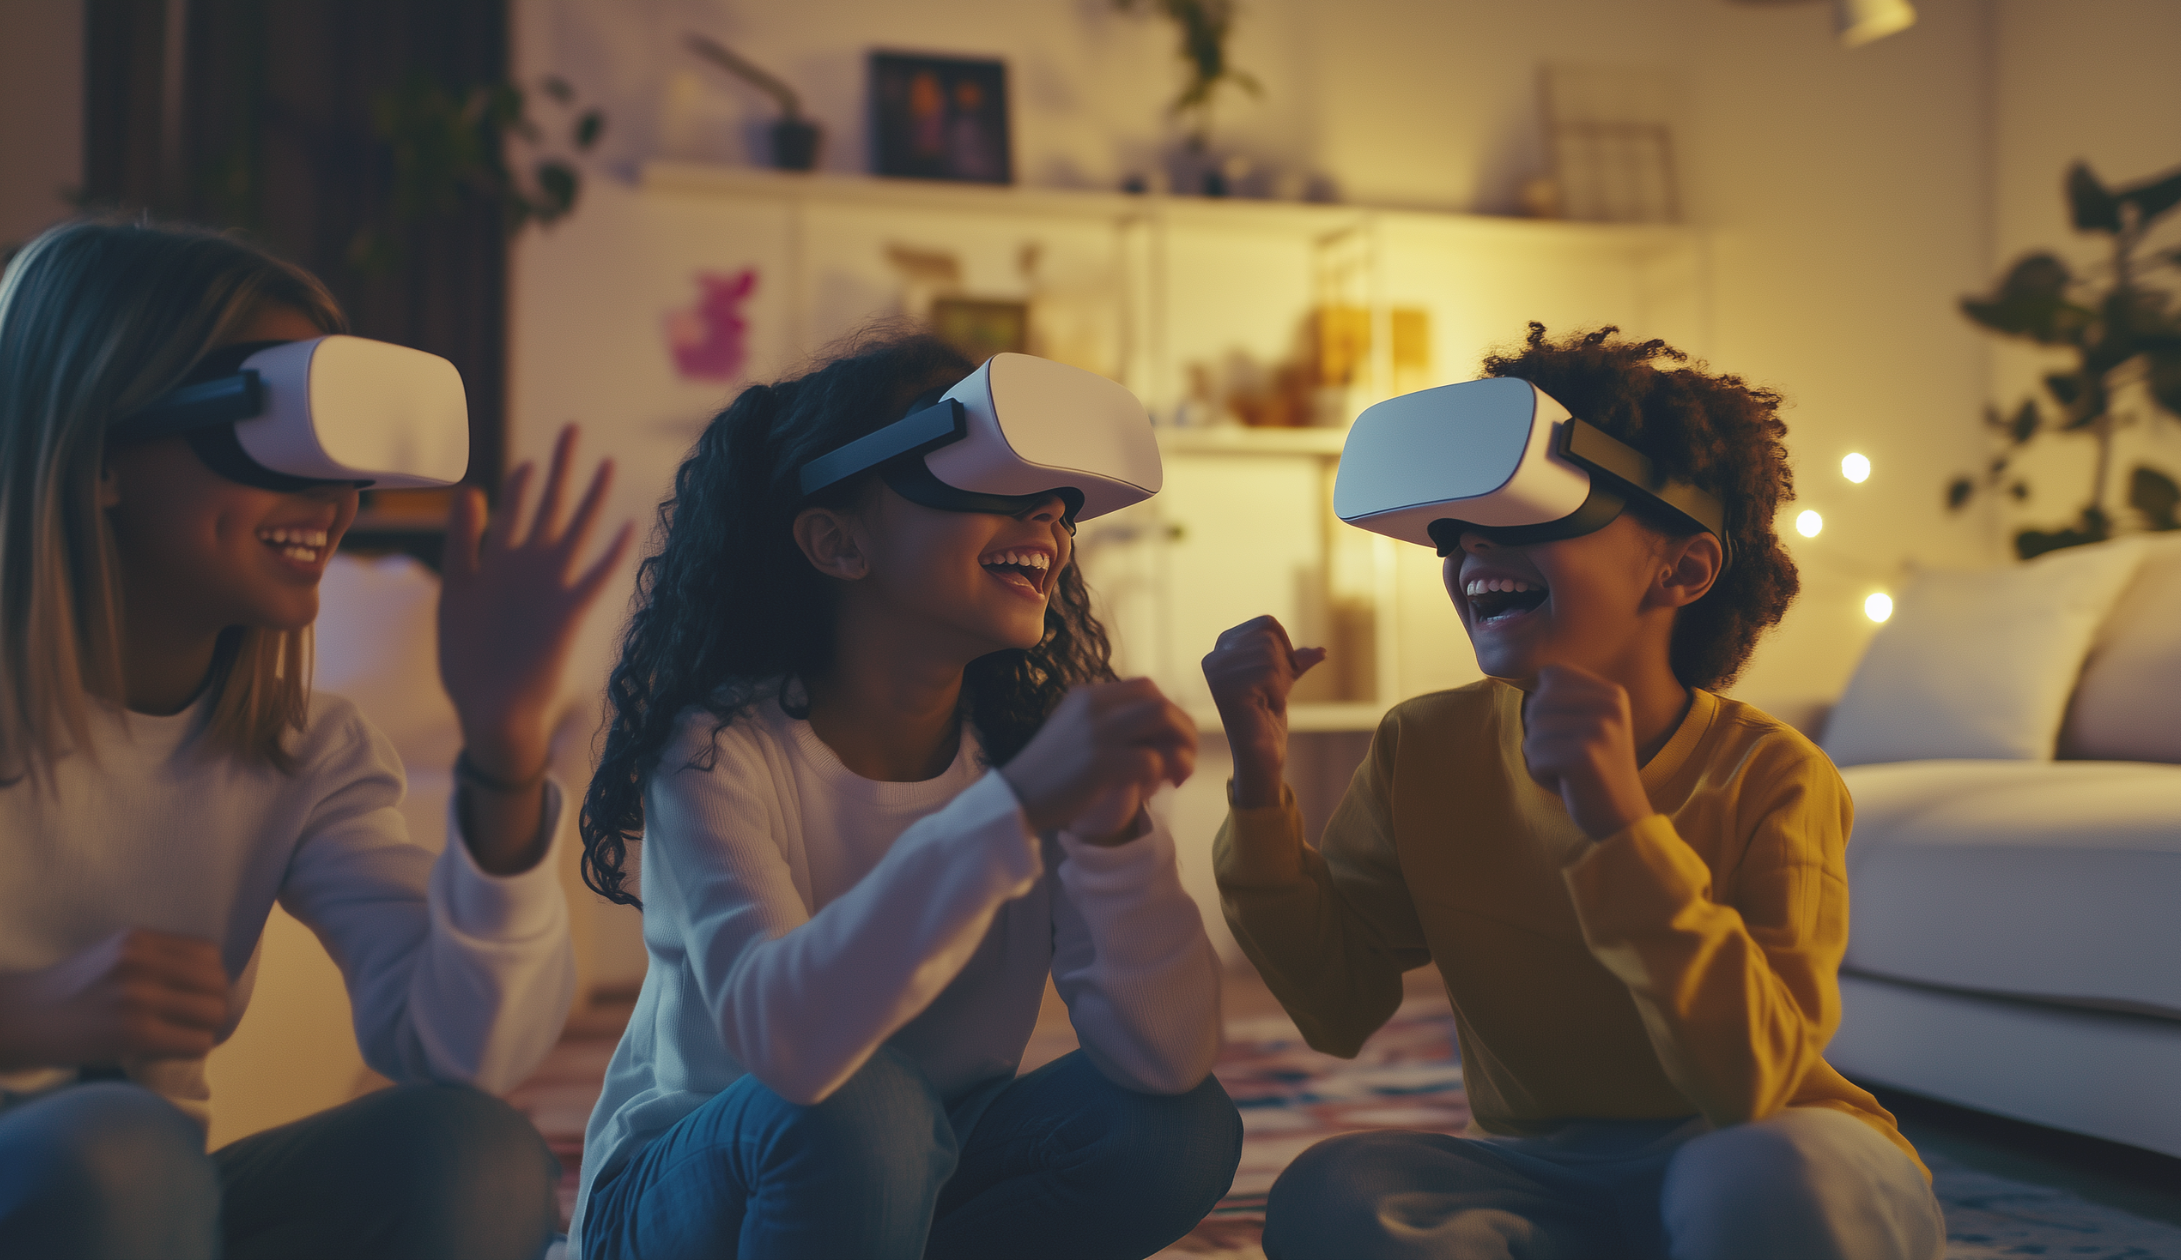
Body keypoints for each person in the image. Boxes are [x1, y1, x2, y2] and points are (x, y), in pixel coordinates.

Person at [0, 219, 630, 1260]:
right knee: (119, 1150)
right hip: (30, 1190)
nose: (336, 501)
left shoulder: (307, 751)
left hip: (155, 1203)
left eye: (344, 456)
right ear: (95, 457)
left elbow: (463, 1046)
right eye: (277, 434)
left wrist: (504, 747)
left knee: (474, 1151)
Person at [1204, 324, 1945, 1260]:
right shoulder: (1422, 745)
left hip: (1765, 1146)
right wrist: (1259, 780)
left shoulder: (1774, 775)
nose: (1470, 545)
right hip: (1540, 1173)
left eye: (1531, 512)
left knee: (1754, 1179)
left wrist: (1620, 824)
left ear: (1682, 567)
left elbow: (1755, 1078)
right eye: (1452, 532)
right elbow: (1337, 1000)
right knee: (1332, 1193)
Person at [571, 333, 1242, 1260]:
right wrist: (1015, 811)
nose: (1049, 516)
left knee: (1179, 1129)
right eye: (987, 478)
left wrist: (1116, 834)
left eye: (1059, 504)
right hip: (685, 1194)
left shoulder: (1029, 754)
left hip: (910, 1163)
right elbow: (792, 1048)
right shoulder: (717, 753)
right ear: (838, 541)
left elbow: (1165, 1057)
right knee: (862, 1105)